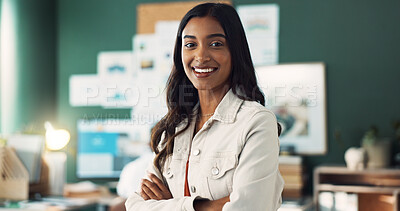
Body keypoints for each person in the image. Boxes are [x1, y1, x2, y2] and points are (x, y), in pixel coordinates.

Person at [125, 3, 284, 211]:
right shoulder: (174, 127)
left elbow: (248, 208)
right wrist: (209, 206)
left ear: (235, 50)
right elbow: (135, 205)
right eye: (190, 44)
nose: (201, 56)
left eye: (216, 44)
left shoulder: (256, 122)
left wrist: (169, 204)